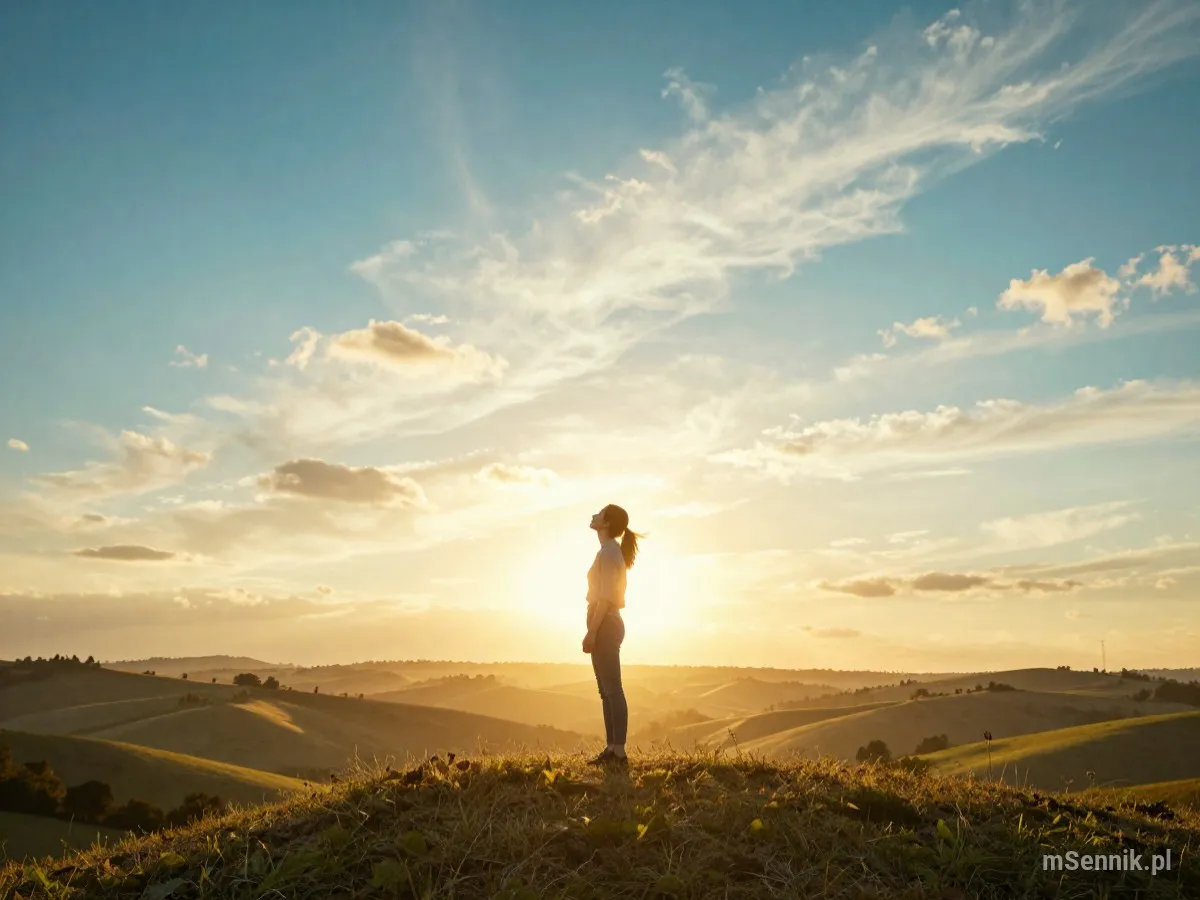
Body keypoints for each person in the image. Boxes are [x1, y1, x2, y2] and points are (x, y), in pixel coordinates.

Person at [583, 503, 640, 766]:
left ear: (606, 523)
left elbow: (606, 598)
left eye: (600, 512)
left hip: (605, 621)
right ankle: (611, 749)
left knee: (613, 690)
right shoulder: (608, 551)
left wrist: (592, 631)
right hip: (603, 619)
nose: (594, 514)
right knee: (605, 690)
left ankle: (619, 752)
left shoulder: (608, 553)